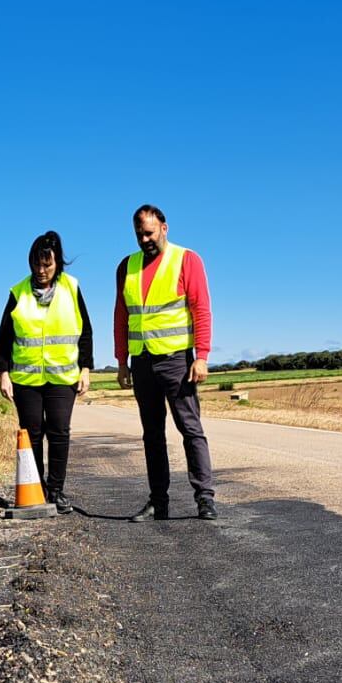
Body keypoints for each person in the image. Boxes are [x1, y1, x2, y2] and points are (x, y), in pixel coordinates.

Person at [114, 203, 216, 519]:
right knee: (152, 434)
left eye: (149, 232)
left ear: (164, 228)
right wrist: (121, 361)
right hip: (142, 363)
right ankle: (159, 500)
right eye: (138, 234)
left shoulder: (187, 259)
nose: (144, 239)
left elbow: (201, 309)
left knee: (190, 429)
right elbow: (121, 315)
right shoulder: (125, 267)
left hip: (176, 362)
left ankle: (205, 498)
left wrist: (202, 356)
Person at [0, 230, 92, 510]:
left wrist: (86, 368)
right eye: (36, 264)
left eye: (47, 264)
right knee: (33, 433)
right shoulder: (18, 292)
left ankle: (57, 491)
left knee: (59, 431)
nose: (41, 270)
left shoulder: (71, 288)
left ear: (57, 263)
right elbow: (4, 337)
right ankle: (37, 490)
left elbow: (86, 332)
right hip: (26, 379)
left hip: (62, 378)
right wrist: (4, 373)